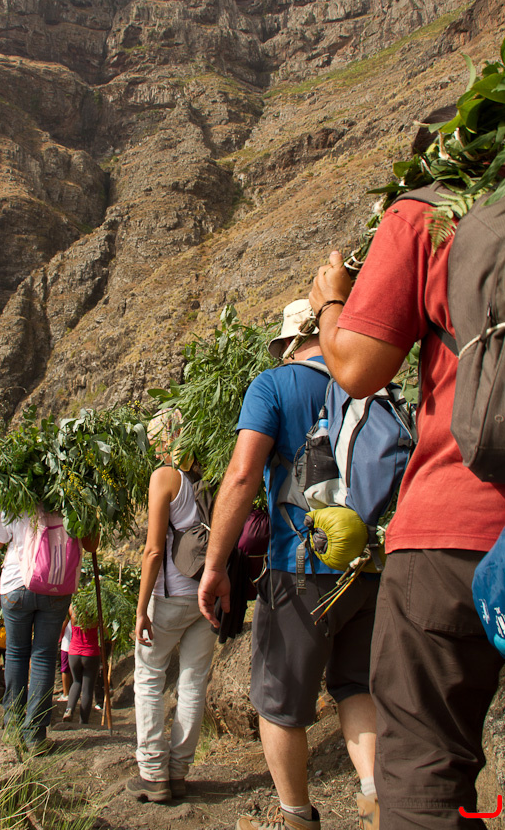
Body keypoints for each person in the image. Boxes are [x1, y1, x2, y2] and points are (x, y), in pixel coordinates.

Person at [310, 186, 505, 827]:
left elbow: (358, 368)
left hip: (455, 534)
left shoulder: (430, 209)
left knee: (425, 776)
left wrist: (332, 302)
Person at [198, 300, 379, 830]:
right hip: (368, 567)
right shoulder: (369, 379)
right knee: (357, 687)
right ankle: (378, 806)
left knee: (279, 703)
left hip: (300, 568)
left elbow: (242, 475)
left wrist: (215, 565)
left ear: (290, 344)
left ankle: (296, 817)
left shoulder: (273, 386)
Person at [126, 409, 217, 804]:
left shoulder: (165, 477)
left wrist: (140, 609)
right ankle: (178, 772)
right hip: (207, 594)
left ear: (168, 438)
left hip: (170, 597)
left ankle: (152, 774)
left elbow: (153, 550)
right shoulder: (209, 475)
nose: (153, 448)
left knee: (149, 675)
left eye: (154, 439)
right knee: (193, 681)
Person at [0, 513, 97, 753]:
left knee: (15, 654)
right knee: (43, 656)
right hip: (56, 584)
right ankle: (35, 736)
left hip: (16, 583)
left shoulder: (13, 495)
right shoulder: (73, 497)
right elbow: (91, 544)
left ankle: (13, 728)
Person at [62, 603, 101, 725]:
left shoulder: (73, 609)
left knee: (76, 682)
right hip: (91, 653)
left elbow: (64, 624)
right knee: (87, 689)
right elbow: (105, 630)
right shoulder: (96, 612)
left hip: (74, 653)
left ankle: (69, 709)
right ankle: (83, 721)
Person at [58, 614, 73, 701]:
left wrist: (59, 635)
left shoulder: (69, 611)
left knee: (65, 669)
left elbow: (64, 623)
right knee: (66, 669)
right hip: (69, 642)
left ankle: (66, 693)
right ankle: (67, 693)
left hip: (68, 644)